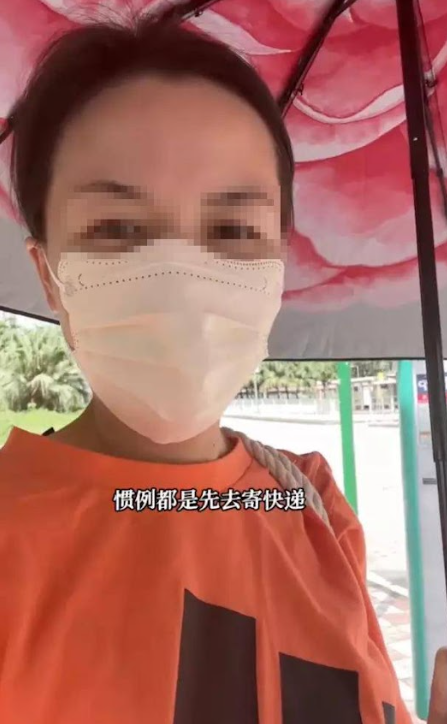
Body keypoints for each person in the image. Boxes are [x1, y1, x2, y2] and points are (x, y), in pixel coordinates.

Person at [0, 11, 445, 724]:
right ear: (48, 274)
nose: (180, 278)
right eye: (116, 229)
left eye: (234, 228)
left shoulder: (309, 505)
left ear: (278, 262)